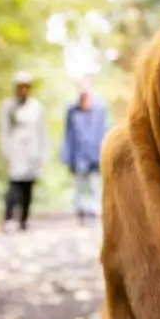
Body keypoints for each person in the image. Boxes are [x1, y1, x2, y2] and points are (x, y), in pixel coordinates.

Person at [0, 70, 49, 232]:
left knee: (28, 187)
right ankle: (9, 218)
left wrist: (43, 153)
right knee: (14, 185)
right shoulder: (9, 106)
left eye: (26, 87)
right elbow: (5, 130)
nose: (23, 90)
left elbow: (42, 132)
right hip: (16, 150)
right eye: (20, 87)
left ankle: (24, 219)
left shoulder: (36, 107)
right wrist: (6, 151)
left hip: (32, 151)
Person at [61, 82, 109, 224]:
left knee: (95, 184)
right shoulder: (72, 111)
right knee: (79, 185)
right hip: (78, 155)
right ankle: (81, 211)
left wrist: (105, 153)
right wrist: (67, 156)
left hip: (95, 154)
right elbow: (68, 134)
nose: (85, 98)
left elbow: (105, 130)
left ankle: (96, 212)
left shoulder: (100, 109)